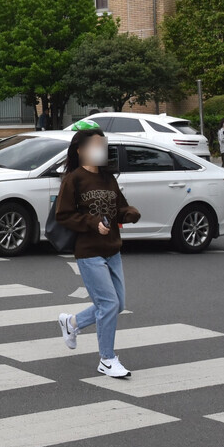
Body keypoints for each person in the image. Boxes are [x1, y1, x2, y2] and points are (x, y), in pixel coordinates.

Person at [54, 127, 142, 379]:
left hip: (112, 249)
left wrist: (130, 213)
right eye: (96, 145)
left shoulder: (107, 178)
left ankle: (71, 323)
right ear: (80, 150)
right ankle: (107, 359)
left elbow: (120, 207)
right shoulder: (74, 179)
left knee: (117, 304)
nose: (101, 150)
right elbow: (64, 215)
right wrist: (93, 223)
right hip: (89, 252)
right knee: (109, 304)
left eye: (103, 146)